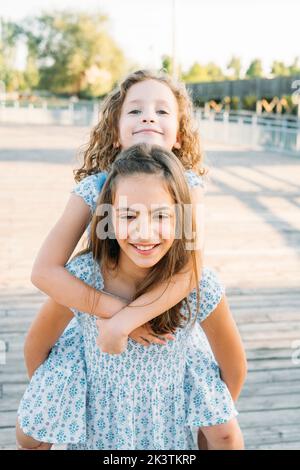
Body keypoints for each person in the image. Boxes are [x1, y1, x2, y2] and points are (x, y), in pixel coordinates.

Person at [17, 144, 245, 450]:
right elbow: (37, 344)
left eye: (161, 215)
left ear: (182, 218)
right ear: (108, 219)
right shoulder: (85, 278)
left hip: (167, 425)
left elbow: (234, 365)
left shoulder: (197, 286)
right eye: (128, 215)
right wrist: (58, 393)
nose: (144, 231)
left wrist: (209, 417)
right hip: (100, 427)